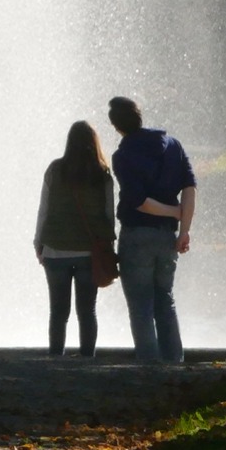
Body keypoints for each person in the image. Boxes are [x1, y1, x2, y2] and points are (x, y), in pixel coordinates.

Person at [107, 96, 196, 363]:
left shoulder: (122, 156)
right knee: (165, 302)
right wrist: (183, 228)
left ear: (116, 126)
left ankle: (150, 368)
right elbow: (190, 188)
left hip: (136, 236)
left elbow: (140, 202)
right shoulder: (172, 146)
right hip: (167, 236)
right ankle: (174, 363)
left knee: (141, 307)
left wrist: (174, 213)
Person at [33, 121, 115, 357]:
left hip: (55, 251)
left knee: (58, 312)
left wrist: (38, 243)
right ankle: (87, 358)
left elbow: (44, 210)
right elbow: (109, 217)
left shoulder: (54, 170)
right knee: (87, 311)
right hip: (89, 254)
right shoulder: (103, 176)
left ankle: (55, 358)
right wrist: (108, 247)